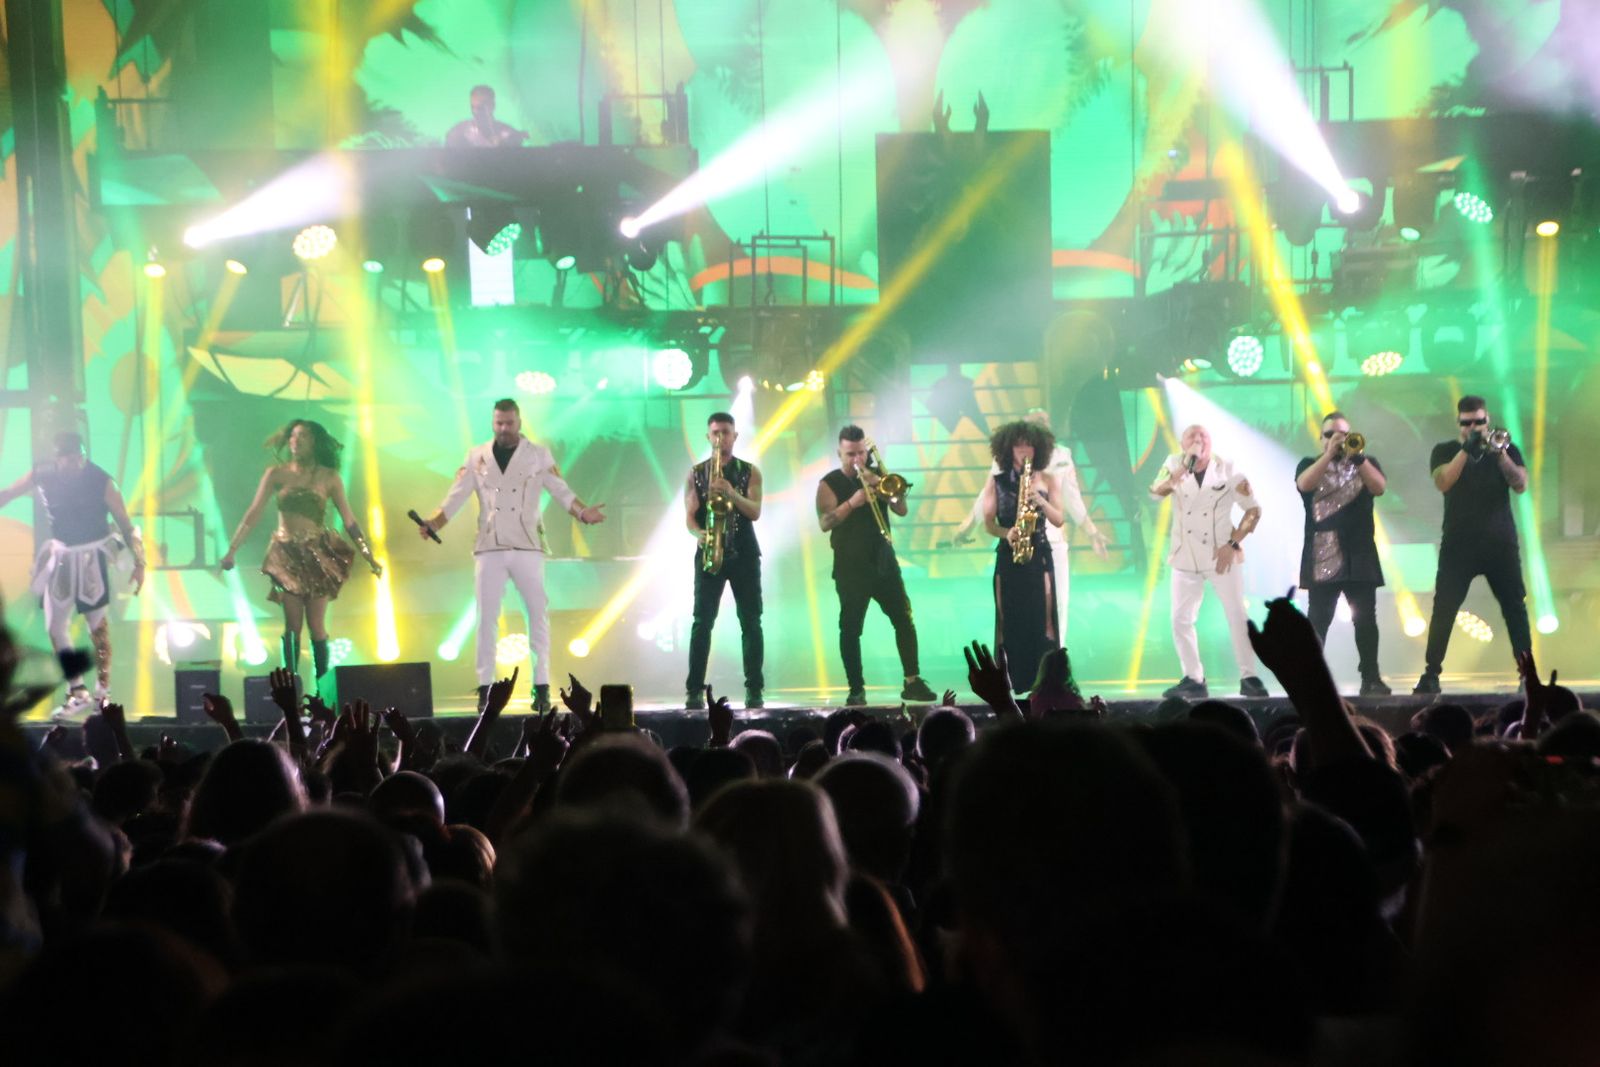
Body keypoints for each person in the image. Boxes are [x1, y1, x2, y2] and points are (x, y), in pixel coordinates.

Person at [418, 399, 605, 713]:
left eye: (509, 423)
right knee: (486, 618)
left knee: (537, 614)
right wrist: (434, 522)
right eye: (499, 423)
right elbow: (457, 495)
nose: (504, 429)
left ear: (519, 422)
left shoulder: (537, 455)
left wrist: (582, 512)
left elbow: (560, 490)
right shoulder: (477, 455)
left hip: (527, 545)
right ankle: (486, 688)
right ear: (493, 422)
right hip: (489, 545)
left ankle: (542, 686)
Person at [222, 420, 381, 693]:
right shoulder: (276, 474)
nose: (296, 441)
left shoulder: (329, 477)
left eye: (303, 436)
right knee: (292, 626)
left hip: (317, 554)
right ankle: (290, 692)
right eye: (293, 436)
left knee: (316, 625)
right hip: (285, 554)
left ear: (314, 442)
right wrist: (232, 550)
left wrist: (368, 555)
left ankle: (323, 689)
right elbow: (254, 512)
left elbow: (349, 519)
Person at [0, 431, 144, 714]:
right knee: (55, 626)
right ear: (57, 458)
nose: (74, 462)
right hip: (62, 555)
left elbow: (126, 525)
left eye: (78, 456)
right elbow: (8, 493)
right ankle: (76, 690)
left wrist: (140, 564)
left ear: (83, 454)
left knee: (97, 626)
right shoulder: (42, 474)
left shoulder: (102, 481)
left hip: (92, 556)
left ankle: (103, 693)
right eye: (67, 457)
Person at [815, 426, 939, 707]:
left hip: (884, 560)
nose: (857, 459)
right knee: (850, 627)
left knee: (903, 618)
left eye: (861, 452)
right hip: (850, 565)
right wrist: (853, 502)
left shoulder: (878, 476)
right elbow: (825, 522)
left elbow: (901, 509)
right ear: (839, 453)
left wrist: (879, 485)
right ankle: (856, 687)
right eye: (850, 454)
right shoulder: (829, 483)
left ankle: (912, 680)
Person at [1414, 395, 1530, 694]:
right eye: (1467, 423)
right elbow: (1443, 482)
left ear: (1488, 420)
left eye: (1479, 422)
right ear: (1459, 423)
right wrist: (1466, 450)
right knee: (1444, 609)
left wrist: (1500, 453)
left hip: (1500, 545)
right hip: (1459, 545)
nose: (1474, 428)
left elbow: (1520, 483)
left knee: (1515, 607)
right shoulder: (1446, 450)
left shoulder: (1506, 449)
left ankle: (1527, 675)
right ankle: (1431, 673)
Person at [953, 408, 1108, 625]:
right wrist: (966, 527)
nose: (1041, 424)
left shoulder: (1062, 455)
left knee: (1058, 604)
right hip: (1018, 543)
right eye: (1035, 421)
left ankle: (1056, 655)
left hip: (1053, 542)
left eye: (1045, 419)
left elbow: (1073, 498)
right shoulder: (1005, 459)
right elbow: (986, 498)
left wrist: (1092, 532)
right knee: (1018, 608)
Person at [1150, 423, 1268, 700]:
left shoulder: (1228, 469)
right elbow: (1155, 493)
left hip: (1220, 553)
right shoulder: (1172, 465)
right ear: (1182, 443)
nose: (1198, 439)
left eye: (1203, 435)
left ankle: (1248, 676)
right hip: (1184, 553)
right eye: (1192, 435)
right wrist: (1182, 470)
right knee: (1180, 619)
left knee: (1237, 614)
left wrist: (1234, 543)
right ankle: (1194, 677)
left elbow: (1253, 510)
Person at [1294, 411, 1391, 696]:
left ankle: (1371, 677)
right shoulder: (1309, 464)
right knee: (1318, 620)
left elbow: (1379, 487)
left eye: (1343, 435)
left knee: (1366, 619)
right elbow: (1304, 485)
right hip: (1323, 554)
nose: (1337, 440)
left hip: (1359, 552)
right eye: (1330, 435)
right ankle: (1311, 679)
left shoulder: (1366, 463)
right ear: (1321, 438)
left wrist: (1357, 456)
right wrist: (1328, 455)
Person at [977, 420, 1068, 693]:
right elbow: (988, 523)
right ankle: (1010, 679)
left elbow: (1060, 519)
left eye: (1028, 444)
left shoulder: (1048, 479)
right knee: (1009, 617)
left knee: (1044, 617)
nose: (1024, 449)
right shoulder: (996, 480)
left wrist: (1039, 500)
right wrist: (1007, 533)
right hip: (1009, 554)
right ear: (1008, 448)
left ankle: (1045, 681)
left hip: (1038, 553)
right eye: (1018, 444)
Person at [684, 412, 764, 709]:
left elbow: (755, 511)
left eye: (726, 432)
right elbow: (690, 518)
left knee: (751, 622)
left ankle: (754, 690)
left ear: (735, 435)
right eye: (715, 433)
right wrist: (699, 534)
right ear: (708, 436)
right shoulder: (696, 473)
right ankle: (694, 690)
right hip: (710, 553)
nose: (720, 438)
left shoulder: (750, 471)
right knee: (702, 623)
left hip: (744, 554)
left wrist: (732, 492)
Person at [444, 85, 527, 149]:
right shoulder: (458, 132)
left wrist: (504, 147)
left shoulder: (508, 134)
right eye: (472, 107)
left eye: (480, 108)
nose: (475, 112)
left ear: (492, 106)